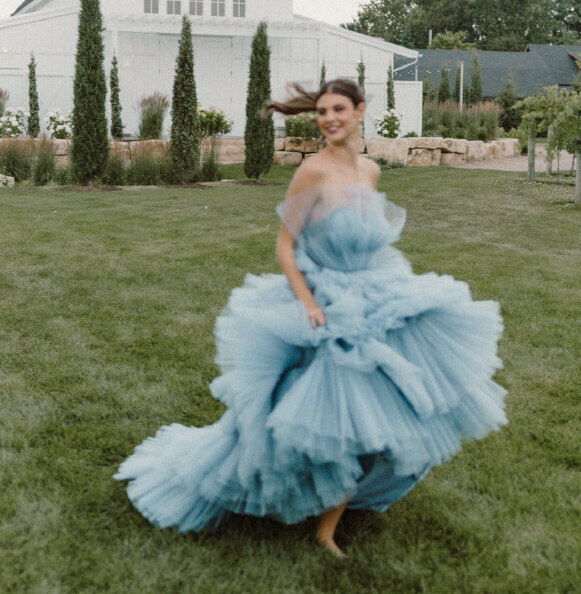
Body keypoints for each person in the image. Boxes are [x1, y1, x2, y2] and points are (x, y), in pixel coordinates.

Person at [114, 79, 507, 556]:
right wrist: (308, 303)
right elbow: (286, 244)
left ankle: (336, 514)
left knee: (400, 402)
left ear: (359, 111)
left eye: (338, 109)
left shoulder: (370, 170)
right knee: (328, 407)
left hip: (377, 289)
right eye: (322, 111)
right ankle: (321, 529)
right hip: (323, 297)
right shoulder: (312, 172)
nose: (329, 118)